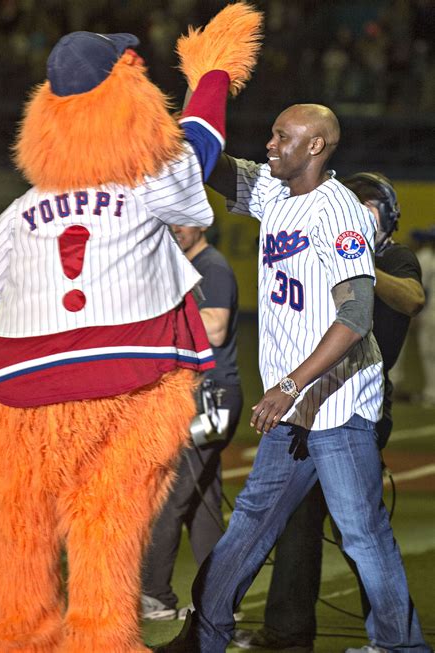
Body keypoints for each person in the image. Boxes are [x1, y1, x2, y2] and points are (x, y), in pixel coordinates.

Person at [0, 5, 263, 651]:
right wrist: (212, 73)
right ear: (128, 93)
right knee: (107, 522)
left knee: (21, 528)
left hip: (13, 396)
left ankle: (17, 633)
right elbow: (201, 142)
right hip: (120, 385)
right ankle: (99, 637)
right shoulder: (147, 183)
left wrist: (10, 364)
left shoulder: (23, 208)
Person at [157, 104, 431, 653]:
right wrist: (185, 112)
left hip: (338, 405)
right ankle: (205, 637)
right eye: (272, 131)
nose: (271, 143)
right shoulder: (274, 192)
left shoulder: (341, 215)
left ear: (316, 147)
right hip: (295, 407)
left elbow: (354, 320)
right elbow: (213, 164)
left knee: (361, 532)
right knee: (251, 524)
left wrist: (288, 385)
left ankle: (402, 647)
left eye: (284, 136)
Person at [232, 172, 426, 653]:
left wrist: (354, 259)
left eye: (369, 209)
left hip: (357, 408)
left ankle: (393, 638)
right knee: (297, 523)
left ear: (388, 217)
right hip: (309, 407)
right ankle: (287, 633)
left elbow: (413, 298)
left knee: (361, 530)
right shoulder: (324, 250)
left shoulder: (394, 257)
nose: (357, 215)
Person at [141, 223, 243, 621]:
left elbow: (215, 329)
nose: (176, 229)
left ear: (202, 223)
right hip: (205, 398)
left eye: (183, 220)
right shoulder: (185, 265)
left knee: (171, 491)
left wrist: (158, 321)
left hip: (211, 399)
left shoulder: (210, 266)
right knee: (203, 502)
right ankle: (216, 601)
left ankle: (155, 595)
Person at [412, 226, 435, 407]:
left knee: (429, 353)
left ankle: (431, 393)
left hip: (431, 313)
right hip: (430, 312)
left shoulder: (426, 258)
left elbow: (422, 289)